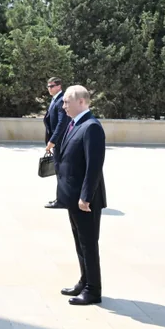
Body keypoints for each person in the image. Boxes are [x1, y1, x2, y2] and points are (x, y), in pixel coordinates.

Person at [57, 85, 106, 306]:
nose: (63, 105)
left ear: (82, 102)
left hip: (85, 200)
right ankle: (84, 281)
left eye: (67, 101)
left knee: (88, 243)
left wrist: (85, 197)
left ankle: (93, 290)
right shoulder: (76, 123)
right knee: (80, 243)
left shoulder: (92, 127)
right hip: (73, 197)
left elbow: (94, 166)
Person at [43, 77, 68, 209]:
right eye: (48, 86)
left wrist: (52, 141)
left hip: (60, 142)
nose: (49, 89)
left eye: (51, 86)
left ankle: (62, 200)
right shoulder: (55, 100)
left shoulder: (61, 100)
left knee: (61, 171)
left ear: (59, 86)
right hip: (57, 142)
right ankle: (62, 198)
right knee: (60, 171)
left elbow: (62, 123)